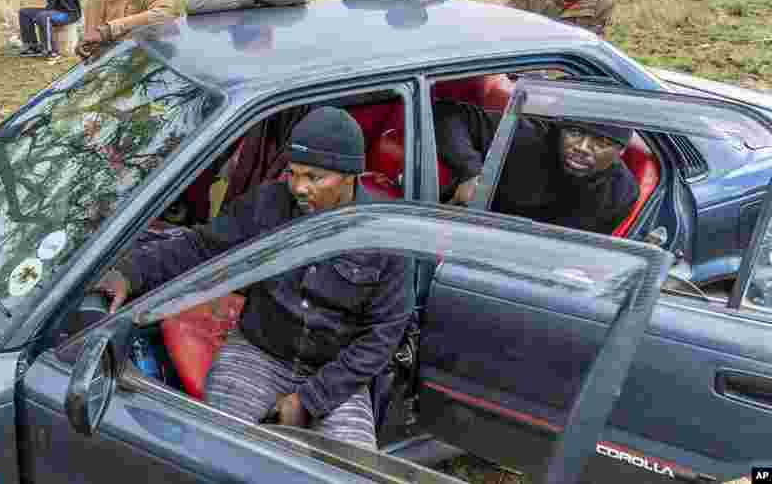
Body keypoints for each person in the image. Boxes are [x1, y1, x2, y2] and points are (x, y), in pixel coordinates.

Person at [93, 107, 413, 449]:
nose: (299, 188)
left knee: (347, 470)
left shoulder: (384, 237)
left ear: (351, 175)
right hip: (258, 354)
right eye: (293, 173)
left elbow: (382, 337)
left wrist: (309, 401)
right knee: (218, 450)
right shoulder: (268, 204)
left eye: (314, 177)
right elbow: (201, 246)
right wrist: (130, 273)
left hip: (337, 377)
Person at [434, 99, 640, 234]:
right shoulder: (527, 136)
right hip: (465, 232)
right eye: (575, 133)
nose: (583, 148)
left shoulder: (621, 192)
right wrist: (470, 171)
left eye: (601, 143)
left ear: (621, 151)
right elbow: (446, 113)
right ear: (560, 130)